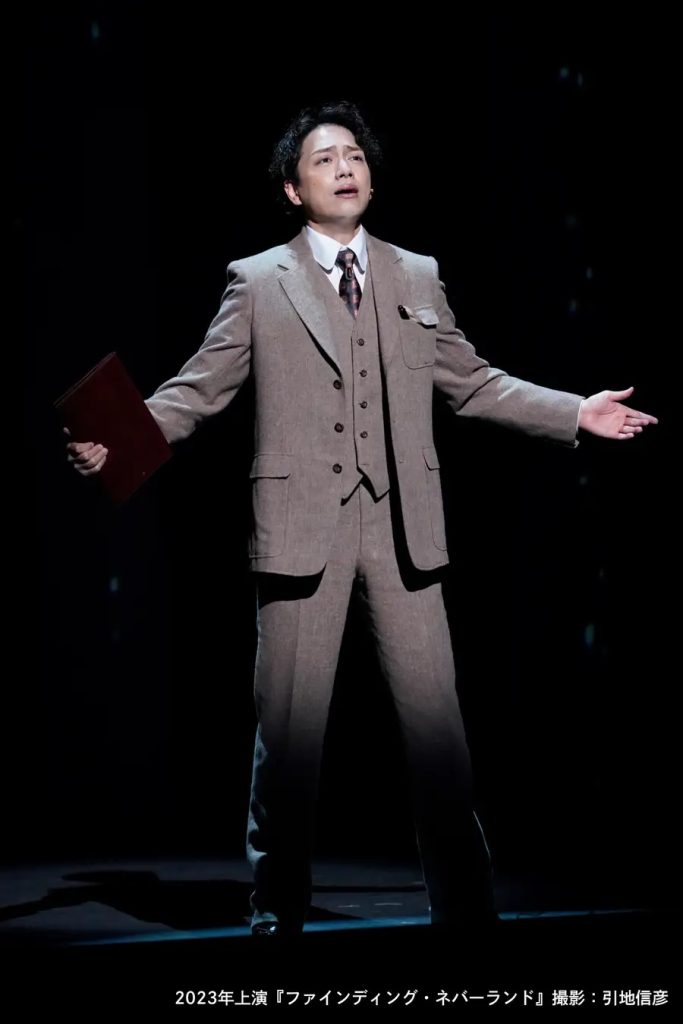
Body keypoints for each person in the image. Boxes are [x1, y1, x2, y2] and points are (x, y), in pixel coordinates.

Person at [67, 100, 657, 938]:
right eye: (323, 159)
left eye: (354, 155)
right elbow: (198, 390)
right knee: (290, 739)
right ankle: (277, 915)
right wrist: (119, 445)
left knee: (437, 736)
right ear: (292, 188)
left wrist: (572, 411)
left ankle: (466, 912)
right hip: (299, 526)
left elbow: (472, 383)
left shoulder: (415, 273)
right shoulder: (258, 281)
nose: (344, 167)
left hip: (403, 529)